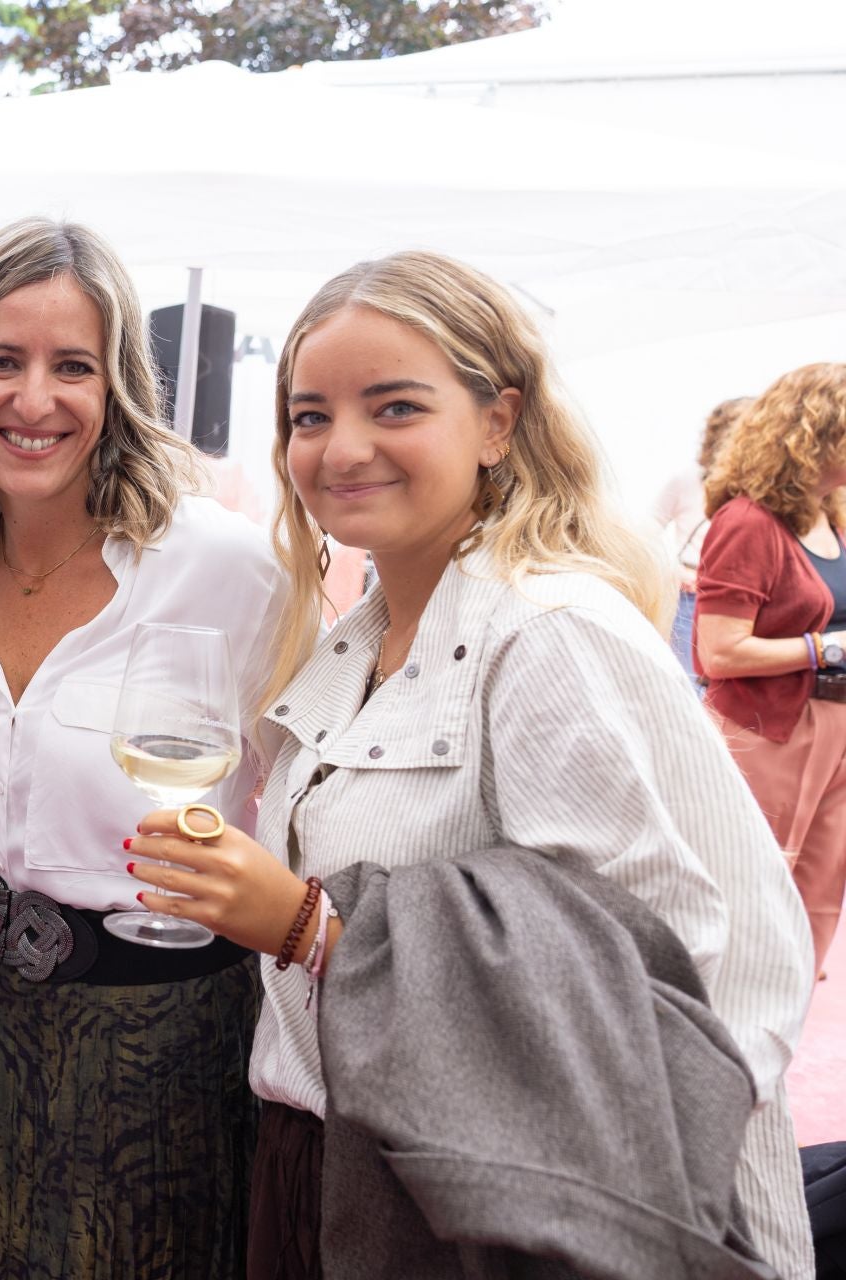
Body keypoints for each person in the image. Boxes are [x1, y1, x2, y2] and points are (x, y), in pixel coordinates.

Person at [121, 251, 815, 1278]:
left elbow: (669, 987)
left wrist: (312, 927)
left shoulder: (548, 636)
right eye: (309, 416)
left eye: (394, 406)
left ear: (498, 420)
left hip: (476, 1208)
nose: (341, 446)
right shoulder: (356, 637)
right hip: (326, 1167)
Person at [0, 217, 284, 1279]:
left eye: (74, 366)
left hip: (169, 1037)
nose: (34, 400)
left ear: (118, 388)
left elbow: (309, 788)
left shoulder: (224, 567)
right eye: (1, 362)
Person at [697, 363, 846, 978]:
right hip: (769, 731)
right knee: (751, 886)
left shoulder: (832, 517)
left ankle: (776, 1031)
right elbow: (719, 653)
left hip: (832, 728)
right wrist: (825, 650)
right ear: (817, 436)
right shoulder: (749, 522)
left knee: (817, 894)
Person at [653, 395, 751, 674]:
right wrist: (675, 572)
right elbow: (643, 534)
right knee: (690, 679)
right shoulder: (687, 480)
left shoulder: (761, 489)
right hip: (690, 595)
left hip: (740, 596)